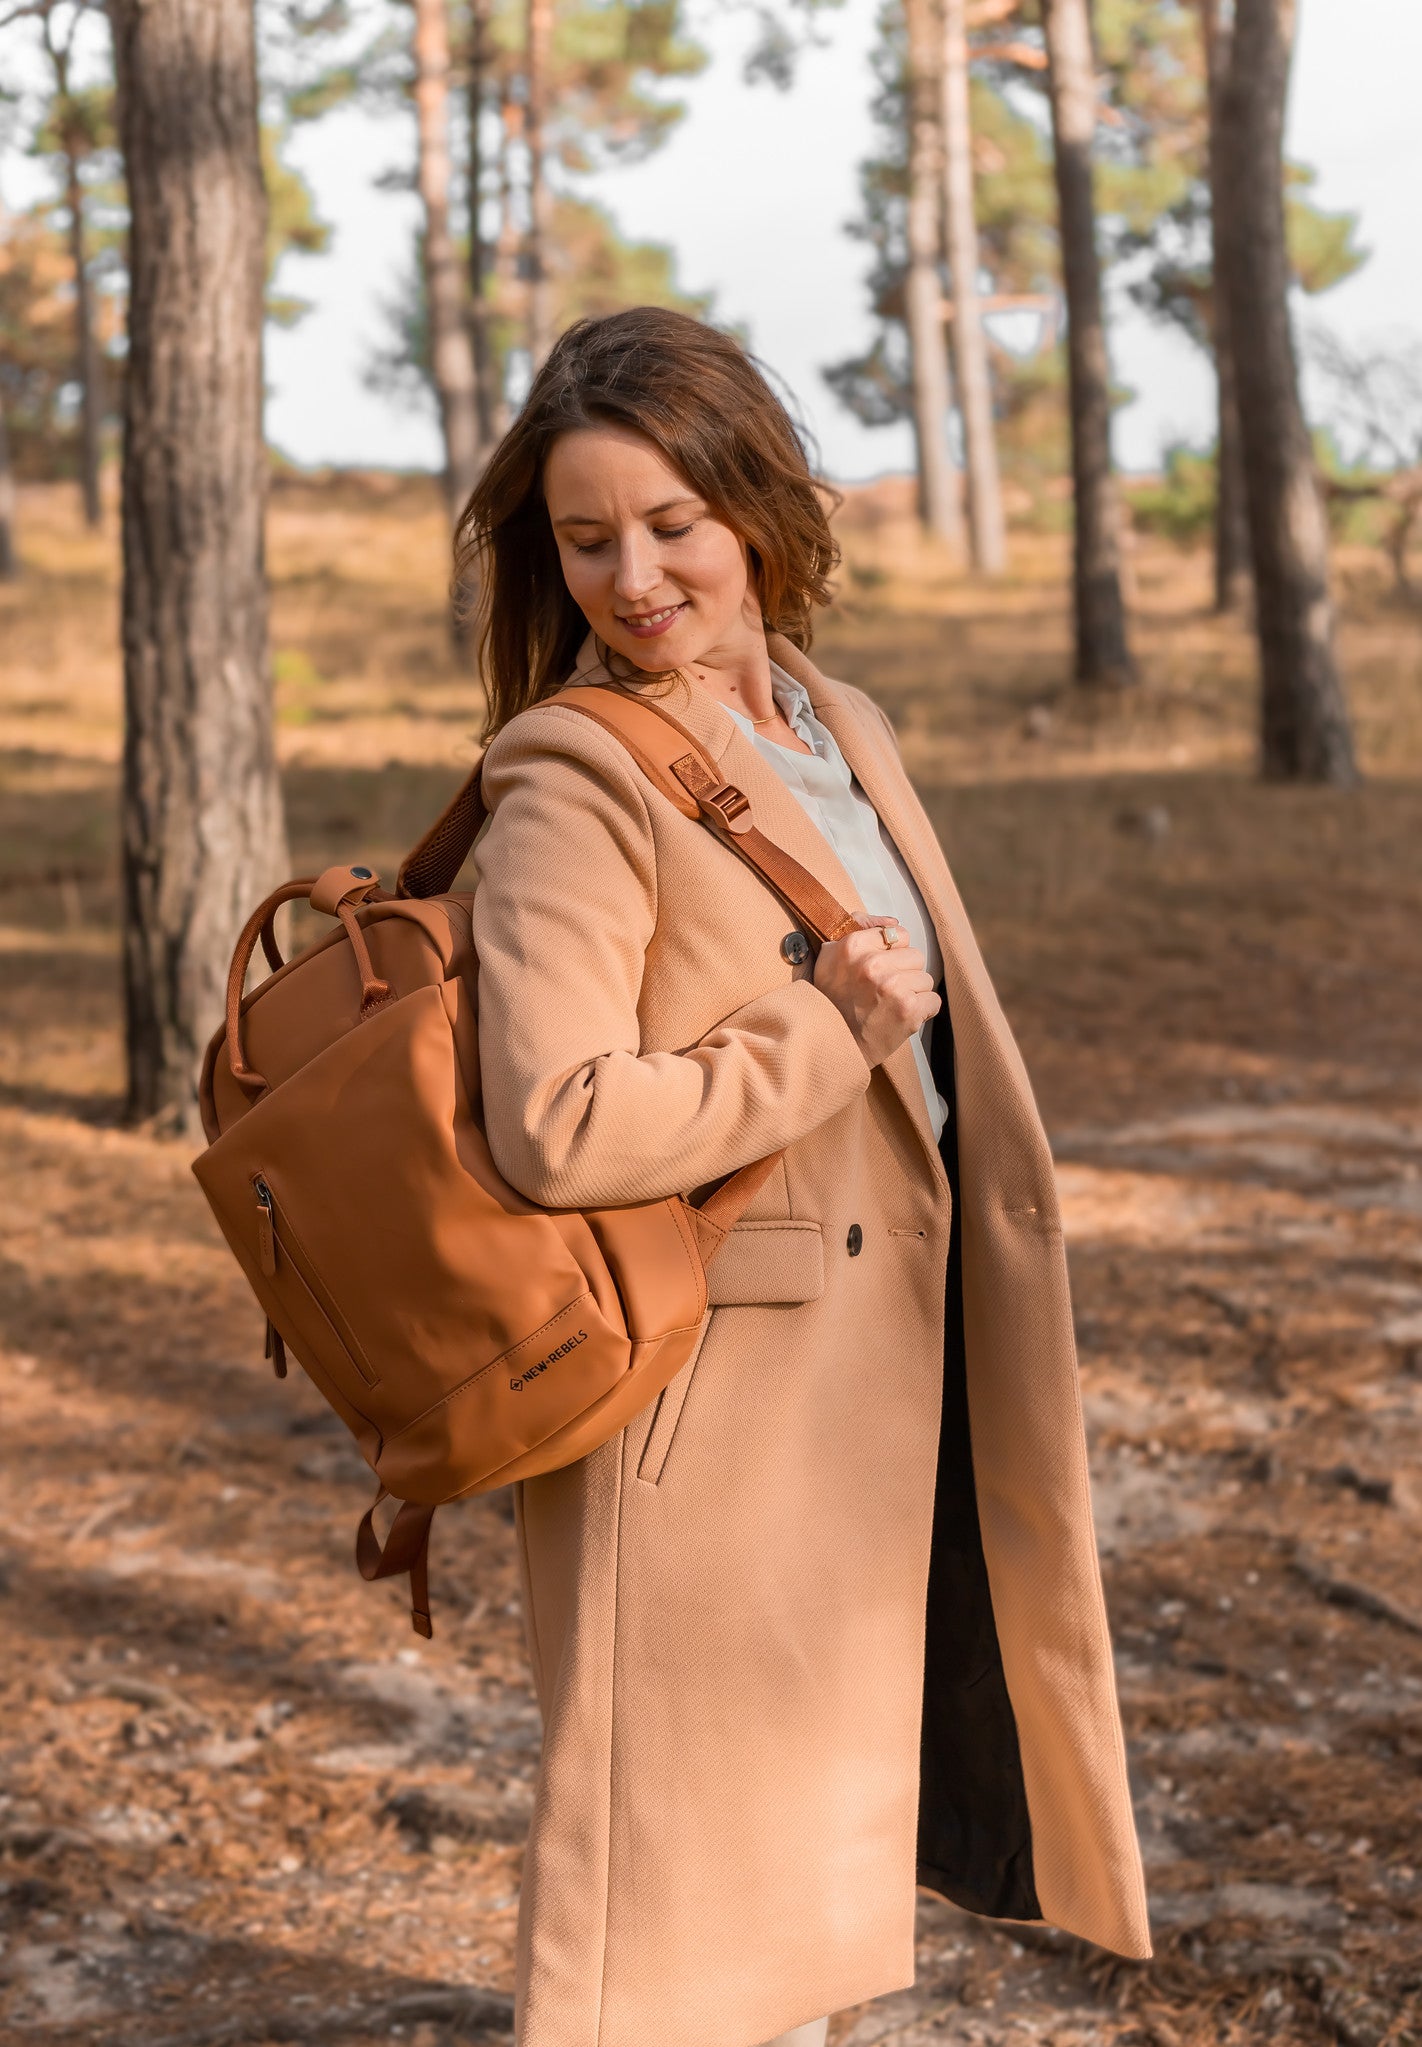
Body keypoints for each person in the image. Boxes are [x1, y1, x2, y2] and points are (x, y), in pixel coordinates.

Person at [460, 307, 1151, 2047]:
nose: (633, 578)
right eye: (587, 539)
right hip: (718, 1405)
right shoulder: (572, 772)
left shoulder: (838, 723)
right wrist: (816, 1034)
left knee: (811, 1894)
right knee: (679, 1928)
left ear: (757, 508)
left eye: (671, 523)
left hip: (895, 1356)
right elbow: (555, 1121)